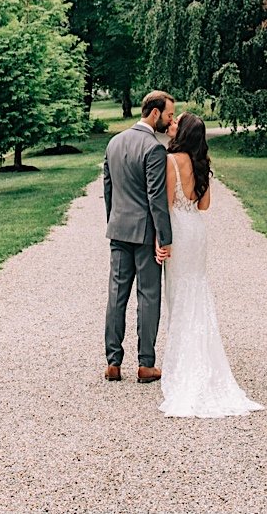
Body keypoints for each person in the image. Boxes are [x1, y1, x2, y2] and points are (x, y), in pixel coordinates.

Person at [157, 111, 262, 418]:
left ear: (183, 133)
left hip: (177, 229)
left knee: (177, 293)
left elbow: (164, 204)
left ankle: (181, 362)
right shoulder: (202, 163)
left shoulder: (171, 160)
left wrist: (159, 240)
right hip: (196, 231)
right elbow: (204, 205)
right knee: (196, 289)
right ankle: (200, 355)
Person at [101, 91, 175, 383]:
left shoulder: (114, 142)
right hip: (145, 234)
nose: (170, 120)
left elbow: (108, 189)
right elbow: (155, 197)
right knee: (148, 295)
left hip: (119, 230)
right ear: (154, 113)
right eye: (169, 114)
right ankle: (146, 364)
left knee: (116, 295)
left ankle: (113, 362)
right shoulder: (154, 148)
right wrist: (164, 237)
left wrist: (113, 221)